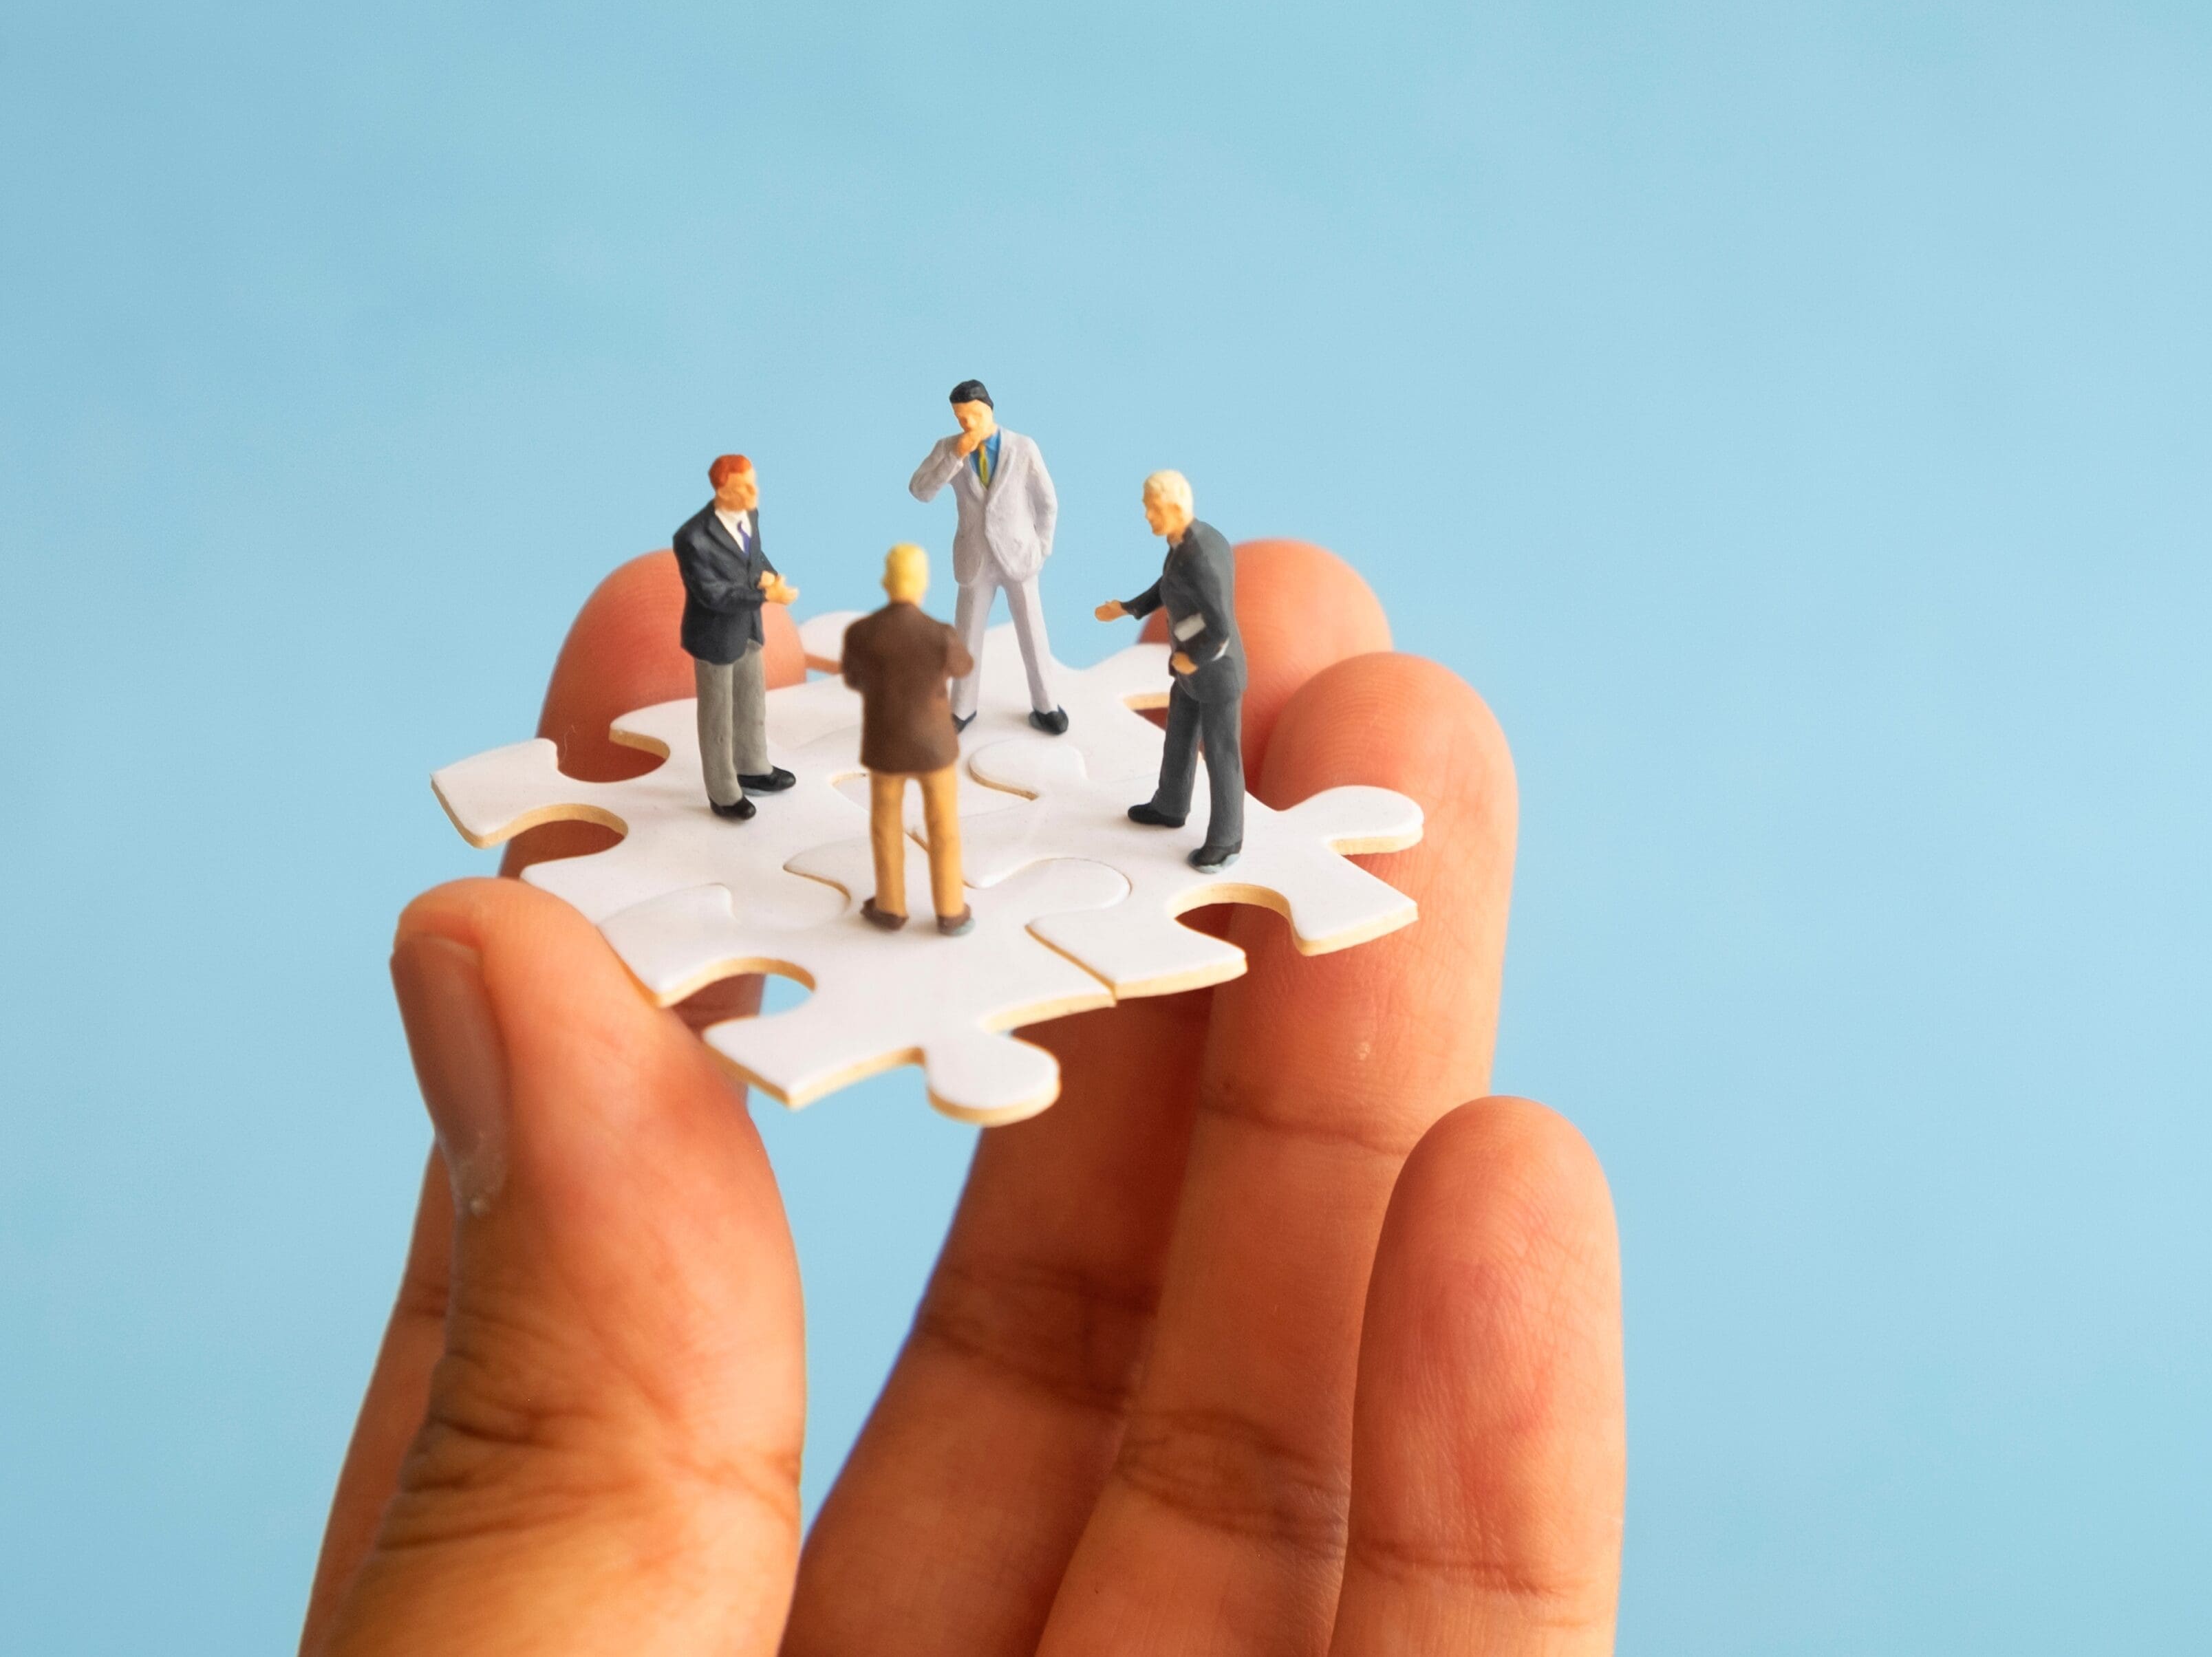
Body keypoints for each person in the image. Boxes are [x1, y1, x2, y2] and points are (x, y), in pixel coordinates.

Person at [301, 540, 1618, 1656]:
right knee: (902, 837)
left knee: (923, 837)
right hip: (902, 764)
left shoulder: (928, 634)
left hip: (931, 765)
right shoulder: (903, 639)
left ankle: (931, 889)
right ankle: (915, 892)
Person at [1095, 469, 1245, 871]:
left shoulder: (1202, 558)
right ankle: (1170, 804)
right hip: (1188, 668)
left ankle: (1227, 840)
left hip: (1215, 673)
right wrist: (1128, 608)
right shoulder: (1183, 543)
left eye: (1152, 508)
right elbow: (1167, 585)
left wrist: (1193, 658)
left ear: (1176, 508)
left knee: (1221, 755)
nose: (1147, 516)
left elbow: (1220, 629)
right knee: (1178, 737)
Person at [908, 379, 1066, 735]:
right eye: (961, 418)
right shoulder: (949, 448)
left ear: (990, 409)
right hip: (975, 557)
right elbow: (920, 489)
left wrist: (1042, 547)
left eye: (975, 415)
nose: (968, 424)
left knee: (1033, 632)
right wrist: (955, 457)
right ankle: (962, 709)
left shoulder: (1023, 448)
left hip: (1019, 556)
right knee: (967, 635)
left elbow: (1047, 502)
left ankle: (1046, 705)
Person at [839, 544, 976, 936]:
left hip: (886, 747)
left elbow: (852, 678)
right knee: (944, 829)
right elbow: (964, 667)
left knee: (885, 826)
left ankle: (890, 907)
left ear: (886, 581)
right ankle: (951, 911)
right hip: (935, 748)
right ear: (923, 584)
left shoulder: (861, 633)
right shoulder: (940, 634)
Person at [672, 454, 798, 819]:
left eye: (754, 482)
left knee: (752, 702)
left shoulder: (750, 514)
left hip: (748, 629)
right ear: (722, 490)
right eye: (743, 486)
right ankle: (723, 791)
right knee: (718, 716)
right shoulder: (693, 538)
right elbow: (711, 593)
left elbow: (754, 558)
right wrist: (764, 596)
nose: (753, 492)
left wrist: (770, 577)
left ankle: (753, 766)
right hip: (714, 636)